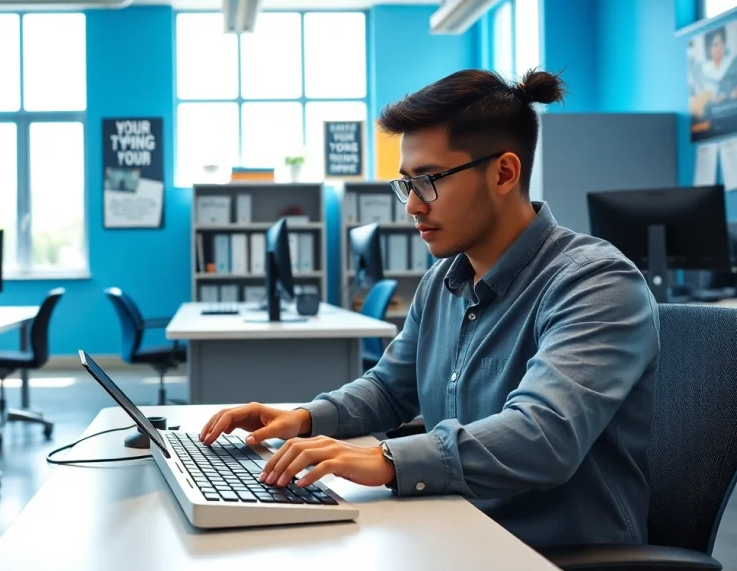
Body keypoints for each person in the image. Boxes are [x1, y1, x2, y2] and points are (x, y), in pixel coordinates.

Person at [199, 68, 660, 549]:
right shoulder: (444, 280)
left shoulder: (595, 283)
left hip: (550, 553)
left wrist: (389, 459)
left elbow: (544, 436)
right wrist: (304, 418)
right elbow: (389, 389)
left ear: (504, 172)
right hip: (453, 530)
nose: (413, 206)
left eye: (429, 180)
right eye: (407, 184)